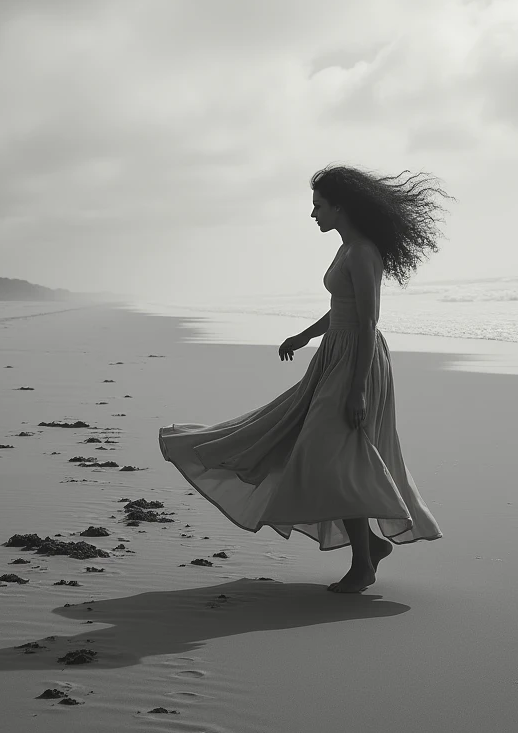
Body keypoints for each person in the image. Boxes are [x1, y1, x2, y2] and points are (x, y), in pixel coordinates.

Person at [159, 164, 455, 593]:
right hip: (335, 354)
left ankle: (365, 561)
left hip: (358, 361)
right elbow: (343, 306)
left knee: (335, 453)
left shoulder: (363, 252)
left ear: (341, 207)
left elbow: (368, 321)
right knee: (325, 451)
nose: (313, 214)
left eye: (318, 206)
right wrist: (305, 335)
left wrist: (356, 391)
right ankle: (368, 548)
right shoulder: (345, 249)